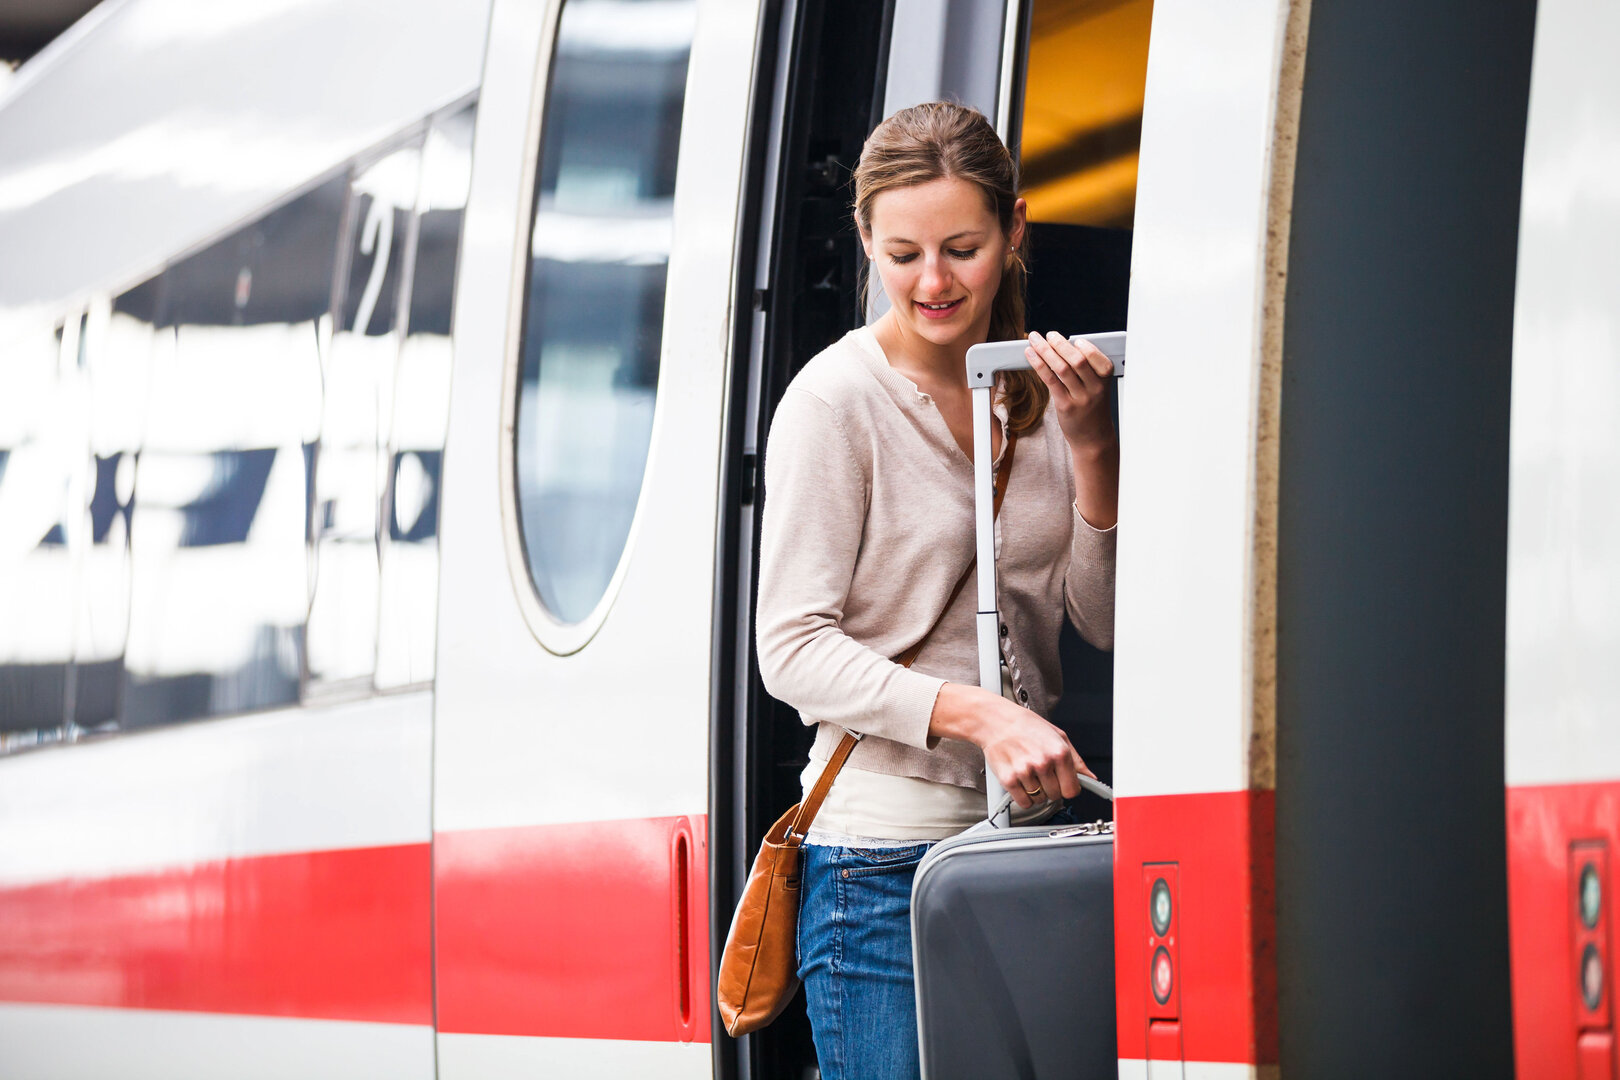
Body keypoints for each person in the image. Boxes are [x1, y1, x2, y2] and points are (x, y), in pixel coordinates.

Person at [753, 102, 1119, 1080]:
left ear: (1015, 230)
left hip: (1025, 848)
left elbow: (1100, 620)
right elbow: (788, 645)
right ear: (866, 239)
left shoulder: (1045, 395)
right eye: (903, 252)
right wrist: (980, 716)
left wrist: (1092, 450)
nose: (933, 282)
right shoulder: (837, 402)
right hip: (875, 872)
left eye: (963, 247)